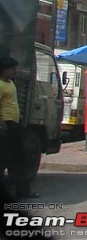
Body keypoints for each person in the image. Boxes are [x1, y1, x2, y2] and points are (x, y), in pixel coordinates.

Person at [0, 56, 38, 199]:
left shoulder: (10, 83)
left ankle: (22, 191)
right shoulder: (0, 85)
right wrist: (2, 124)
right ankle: (22, 191)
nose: (14, 72)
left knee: (15, 159)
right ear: (4, 70)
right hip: (6, 126)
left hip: (13, 125)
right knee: (15, 159)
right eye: (12, 69)